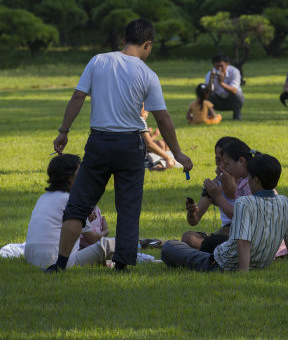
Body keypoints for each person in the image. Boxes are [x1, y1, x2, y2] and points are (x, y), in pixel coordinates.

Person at [46, 18, 193, 273]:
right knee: (128, 208)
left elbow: (78, 96)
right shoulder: (148, 74)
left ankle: (60, 265)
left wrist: (64, 132)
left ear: (124, 39)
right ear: (147, 44)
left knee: (78, 205)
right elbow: (163, 117)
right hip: (130, 146)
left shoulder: (98, 60)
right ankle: (122, 266)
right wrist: (178, 153)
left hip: (99, 143)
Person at [161, 152, 288, 272]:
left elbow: (243, 242)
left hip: (221, 263)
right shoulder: (285, 202)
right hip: (261, 265)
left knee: (170, 246)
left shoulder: (244, 202)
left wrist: (243, 275)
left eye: (248, 177)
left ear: (255, 180)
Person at [25, 154, 115, 268]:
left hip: (31, 259)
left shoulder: (43, 197)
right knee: (110, 244)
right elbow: (92, 239)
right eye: (80, 172)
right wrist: (105, 231)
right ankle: (135, 246)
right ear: (69, 177)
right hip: (56, 261)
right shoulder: (72, 200)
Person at [181, 136, 239, 252]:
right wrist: (191, 213)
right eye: (218, 160)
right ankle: (219, 248)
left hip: (245, 231)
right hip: (225, 233)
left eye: (225, 161)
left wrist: (222, 194)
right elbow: (195, 220)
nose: (221, 165)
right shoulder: (214, 184)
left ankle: (217, 249)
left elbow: (241, 216)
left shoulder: (247, 180)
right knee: (188, 237)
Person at [204, 53, 244, 121]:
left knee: (238, 95)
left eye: (221, 66)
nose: (219, 69)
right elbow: (208, 93)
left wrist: (221, 83)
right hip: (217, 100)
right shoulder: (210, 74)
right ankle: (210, 117)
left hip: (232, 100)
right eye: (217, 66)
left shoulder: (234, 72)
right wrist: (211, 81)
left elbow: (234, 90)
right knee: (207, 97)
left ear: (227, 64)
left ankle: (237, 118)